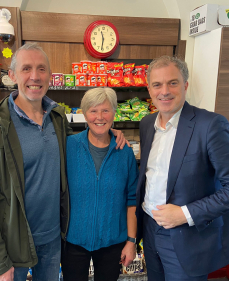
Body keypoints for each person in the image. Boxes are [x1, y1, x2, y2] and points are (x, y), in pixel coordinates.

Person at [0, 43, 127, 281]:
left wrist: (107, 132)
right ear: (12, 75)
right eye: (26, 68)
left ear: (50, 76)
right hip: (13, 246)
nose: (35, 76)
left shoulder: (57, 116)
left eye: (41, 69)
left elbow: (76, 145)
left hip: (53, 240)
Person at [135, 56, 229, 281]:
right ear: (149, 89)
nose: (165, 91)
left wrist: (184, 214)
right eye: (157, 85)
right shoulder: (147, 124)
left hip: (187, 237)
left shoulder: (210, 125)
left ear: (185, 85)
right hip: (150, 230)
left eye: (173, 83)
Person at [61, 87, 138, 281]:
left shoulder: (125, 152)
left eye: (106, 110)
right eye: (93, 111)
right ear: (85, 114)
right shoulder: (69, 146)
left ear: (114, 113)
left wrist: (131, 241)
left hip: (113, 243)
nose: (99, 117)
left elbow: (132, 200)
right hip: (74, 241)